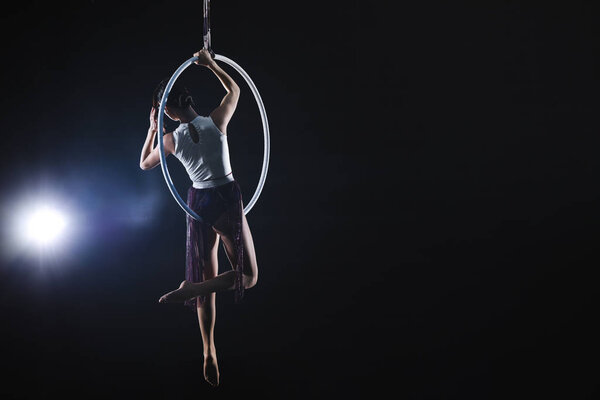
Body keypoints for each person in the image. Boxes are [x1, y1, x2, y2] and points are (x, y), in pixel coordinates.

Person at [139, 48, 259, 387]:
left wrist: (152, 128)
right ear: (187, 101)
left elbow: (144, 163)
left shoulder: (169, 140)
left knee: (210, 271)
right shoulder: (216, 121)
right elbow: (235, 91)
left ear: (170, 113)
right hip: (223, 198)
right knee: (247, 277)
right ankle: (193, 289)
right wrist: (211, 64)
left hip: (197, 204)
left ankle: (208, 347)